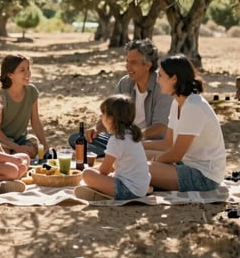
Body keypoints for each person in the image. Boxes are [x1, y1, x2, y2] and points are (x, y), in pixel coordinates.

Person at [69, 38, 172, 156]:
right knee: (77, 139)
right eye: (127, 61)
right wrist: (96, 129)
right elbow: (111, 113)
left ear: (147, 65)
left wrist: (132, 138)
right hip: (122, 139)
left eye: (133, 63)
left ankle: (114, 154)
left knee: (131, 149)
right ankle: (116, 153)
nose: (127, 67)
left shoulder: (162, 86)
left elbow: (159, 128)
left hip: (149, 142)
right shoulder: (125, 83)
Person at [144, 54, 226, 191]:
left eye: (160, 76)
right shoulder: (177, 102)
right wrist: (136, 145)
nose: (157, 80)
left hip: (204, 176)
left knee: (135, 165)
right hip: (185, 164)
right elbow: (167, 144)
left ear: (174, 78)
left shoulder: (193, 107)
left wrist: (152, 162)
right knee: (132, 155)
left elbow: (175, 154)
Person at [74, 94, 151, 201]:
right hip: (141, 188)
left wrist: (90, 170)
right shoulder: (132, 135)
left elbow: (105, 170)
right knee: (92, 171)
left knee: (87, 174)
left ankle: (102, 193)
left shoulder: (117, 140)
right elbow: (112, 167)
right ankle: (103, 190)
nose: (101, 118)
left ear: (110, 118)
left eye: (103, 114)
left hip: (129, 190)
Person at [0, 54, 49, 159]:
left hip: (21, 139)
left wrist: (44, 144)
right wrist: (17, 147)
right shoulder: (0, 95)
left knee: (30, 151)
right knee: (7, 155)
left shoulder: (31, 91)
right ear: (10, 74)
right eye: (22, 70)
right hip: (2, 139)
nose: (28, 73)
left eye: (28, 69)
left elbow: (35, 121)